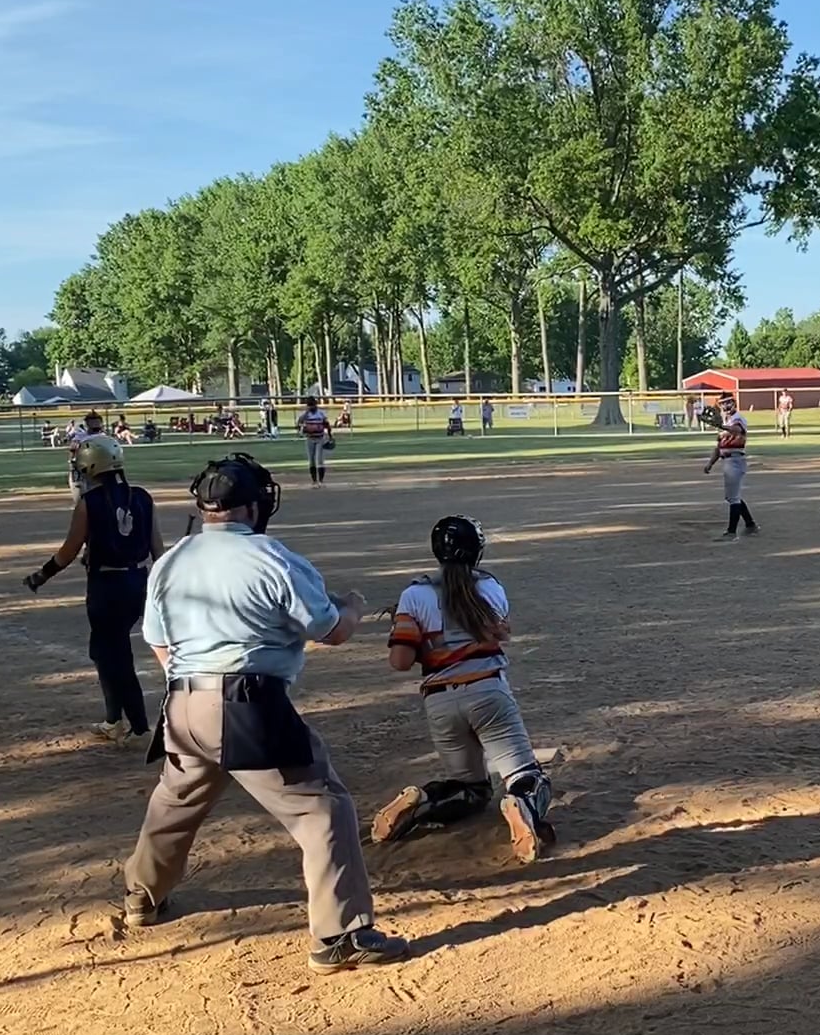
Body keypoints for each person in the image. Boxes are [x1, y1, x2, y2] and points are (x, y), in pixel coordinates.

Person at [121, 453, 408, 970]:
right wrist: (352, 604)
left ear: (203, 507)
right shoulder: (272, 557)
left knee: (176, 800)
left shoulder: (172, 561)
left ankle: (142, 894)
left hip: (180, 702)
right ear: (254, 507)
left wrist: (196, 688)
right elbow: (331, 631)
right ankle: (339, 935)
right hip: (244, 704)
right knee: (322, 808)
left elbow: (158, 641)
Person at [372, 516, 556, 863]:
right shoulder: (490, 588)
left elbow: (400, 661)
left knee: (470, 789)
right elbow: (501, 632)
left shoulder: (414, 595)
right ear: (477, 551)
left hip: (440, 702)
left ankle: (424, 801)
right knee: (527, 777)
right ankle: (521, 804)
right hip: (488, 693)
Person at [22, 436, 165, 742]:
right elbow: (157, 549)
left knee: (113, 655)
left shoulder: (89, 502)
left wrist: (41, 575)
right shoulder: (142, 497)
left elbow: (68, 551)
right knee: (106, 651)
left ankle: (137, 725)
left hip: (106, 586)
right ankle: (115, 719)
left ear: (90, 466)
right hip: (138, 581)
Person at [704, 394, 758, 541]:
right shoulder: (726, 422)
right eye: (723, 403)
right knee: (732, 496)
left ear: (734, 403)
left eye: (728, 402)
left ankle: (731, 532)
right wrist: (710, 463)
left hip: (735, 459)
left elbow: (736, 430)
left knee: (733, 497)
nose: (726, 406)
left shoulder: (738, 419)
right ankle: (750, 525)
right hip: (727, 460)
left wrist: (721, 426)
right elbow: (719, 447)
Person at [65, 411, 106, 503]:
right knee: (81, 499)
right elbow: (72, 452)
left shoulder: (104, 437)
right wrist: (72, 465)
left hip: (99, 471)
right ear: (87, 424)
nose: (95, 424)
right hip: (82, 471)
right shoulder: (80, 437)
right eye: (92, 422)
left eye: (97, 422)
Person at [298, 396, 332, 488]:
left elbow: (327, 424)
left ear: (315, 404)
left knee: (320, 460)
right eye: (309, 405)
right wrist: (305, 414)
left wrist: (330, 436)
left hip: (320, 438)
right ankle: (314, 481)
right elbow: (299, 422)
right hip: (310, 438)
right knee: (311, 460)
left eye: (312, 405)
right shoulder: (305, 414)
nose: (311, 407)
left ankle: (321, 481)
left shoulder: (320, 413)